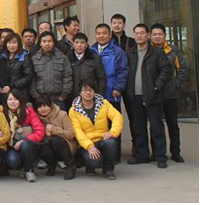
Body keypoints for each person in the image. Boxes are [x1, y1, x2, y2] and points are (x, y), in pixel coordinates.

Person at [126, 24, 172, 168]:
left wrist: (156, 87)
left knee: (156, 128)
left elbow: (166, 70)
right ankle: (142, 155)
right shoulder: (130, 52)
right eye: (136, 33)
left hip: (152, 96)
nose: (139, 36)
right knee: (138, 127)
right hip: (135, 96)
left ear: (147, 35)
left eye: (142, 33)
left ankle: (160, 157)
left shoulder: (157, 52)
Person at [90, 23, 129, 162]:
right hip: (93, 95)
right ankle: (97, 156)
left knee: (113, 125)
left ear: (110, 35)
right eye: (98, 33)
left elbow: (123, 71)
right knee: (96, 125)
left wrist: (118, 88)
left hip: (111, 94)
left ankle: (114, 156)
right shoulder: (90, 50)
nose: (101, 36)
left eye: (104, 33)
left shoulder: (117, 51)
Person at [69, 80, 123, 180]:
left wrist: (112, 132)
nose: (88, 93)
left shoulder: (104, 103)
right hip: (87, 143)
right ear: (80, 93)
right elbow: (77, 131)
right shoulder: (74, 110)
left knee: (111, 142)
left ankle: (108, 170)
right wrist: (89, 147)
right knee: (95, 162)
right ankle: (90, 166)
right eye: (85, 90)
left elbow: (117, 117)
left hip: (103, 139)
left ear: (94, 92)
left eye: (91, 90)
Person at [150, 23, 188, 163]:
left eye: (160, 34)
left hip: (170, 94)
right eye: (154, 34)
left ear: (164, 35)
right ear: (150, 36)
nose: (157, 37)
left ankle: (175, 153)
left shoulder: (173, 50)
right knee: (155, 125)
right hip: (154, 94)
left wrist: (174, 85)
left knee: (173, 124)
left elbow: (182, 69)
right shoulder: (148, 50)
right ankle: (156, 153)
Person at [3, 89, 44, 182]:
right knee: (12, 160)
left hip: (29, 146)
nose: (12, 102)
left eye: (15, 99)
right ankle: (21, 167)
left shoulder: (28, 111)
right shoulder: (3, 114)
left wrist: (23, 141)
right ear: (6, 101)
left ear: (20, 100)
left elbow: (40, 131)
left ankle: (29, 170)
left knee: (25, 145)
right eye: (10, 99)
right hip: (12, 146)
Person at [34, 95, 77, 180]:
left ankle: (70, 166)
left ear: (51, 105)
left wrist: (55, 130)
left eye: (45, 106)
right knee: (41, 146)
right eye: (40, 107)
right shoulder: (36, 118)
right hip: (49, 146)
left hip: (66, 145)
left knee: (57, 141)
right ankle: (52, 165)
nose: (43, 109)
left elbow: (71, 134)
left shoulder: (62, 114)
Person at [30, 32, 72, 110]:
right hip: (41, 98)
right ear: (40, 43)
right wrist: (35, 95)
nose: (47, 44)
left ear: (53, 43)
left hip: (59, 98)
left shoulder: (62, 58)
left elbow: (67, 76)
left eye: (49, 41)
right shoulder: (34, 59)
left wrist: (64, 95)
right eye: (44, 41)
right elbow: (31, 79)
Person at [69, 33, 107, 104]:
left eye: (82, 42)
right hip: (72, 97)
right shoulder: (67, 59)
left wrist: (99, 95)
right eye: (77, 42)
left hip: (91, 96)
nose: (79, 45)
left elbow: (102, 78)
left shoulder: (94, 58)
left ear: (86, 45)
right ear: (73, 44)